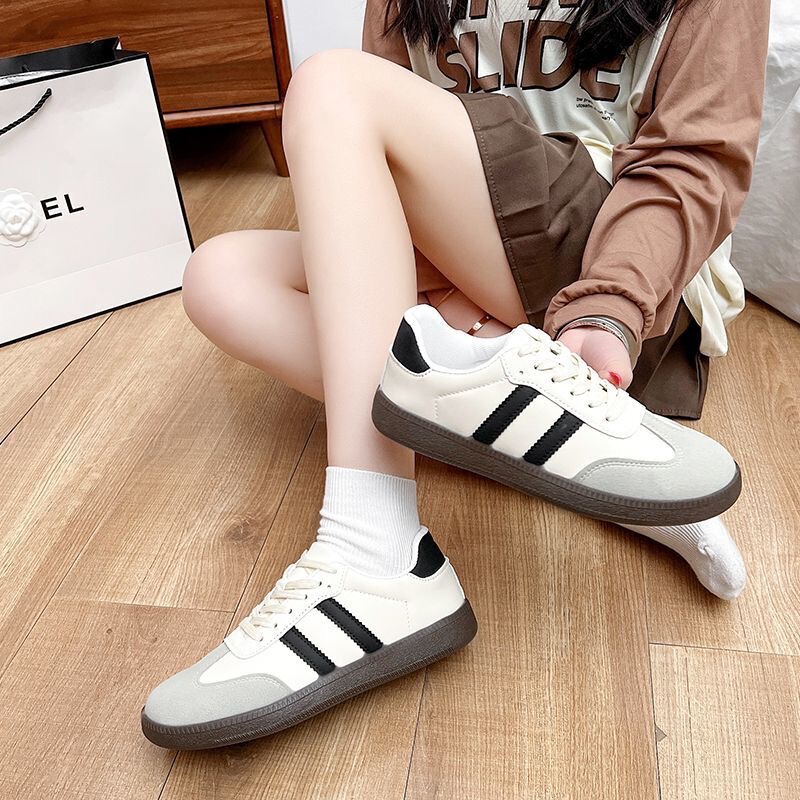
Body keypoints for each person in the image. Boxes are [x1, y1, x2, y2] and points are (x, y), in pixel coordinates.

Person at [140, 0, 770, 748]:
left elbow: (695, 160)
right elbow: (377, 167)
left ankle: (373, 545)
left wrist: (607, 307)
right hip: (467, 263)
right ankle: (581, 456)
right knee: (221, 277)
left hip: (619, 264)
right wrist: (444, 288)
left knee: (333, 84)